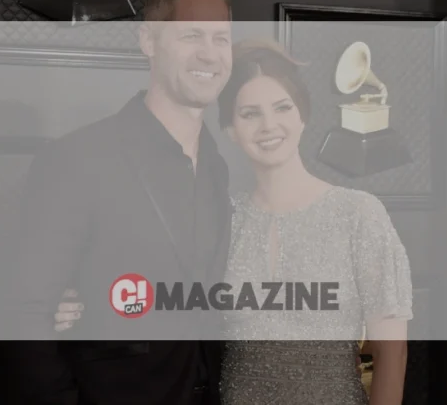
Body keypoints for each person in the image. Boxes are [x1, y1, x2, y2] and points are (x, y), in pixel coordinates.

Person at [54, 38, 413, 404]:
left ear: (302, 116)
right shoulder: (220, 215)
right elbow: (154, 287)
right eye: (250, 113)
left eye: (282, 107)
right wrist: (79, 300)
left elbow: (392, 352)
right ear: (229, 129)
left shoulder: (359, 214)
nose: (269, 125)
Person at [5, 0, 234, 405]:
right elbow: (26, 315)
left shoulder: (219, 167)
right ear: (149, 41)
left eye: (220, 39)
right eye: (191, 37)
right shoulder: (76, 159)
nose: (210, 54)